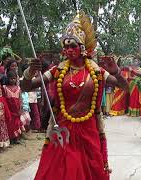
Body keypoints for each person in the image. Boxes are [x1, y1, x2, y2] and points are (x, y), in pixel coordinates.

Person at [20, 11, 128, 180]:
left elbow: (124, 87)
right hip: (63, 130)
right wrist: (30, 72)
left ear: (82, 47)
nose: (69, 50)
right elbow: (27, 87)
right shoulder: (58, 70)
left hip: (89, 128)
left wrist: (117, 72)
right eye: (66, 46)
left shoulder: (96, 71)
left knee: (90, 167)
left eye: (73, 46)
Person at [3, 70, 23, 144]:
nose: (12, 80)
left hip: (16, 109)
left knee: (17, 123)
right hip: (9, 109)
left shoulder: (18, 88)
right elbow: (4, 99)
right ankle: (10, 138)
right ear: (7, 78)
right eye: (11, 78)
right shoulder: (5, 88)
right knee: (9, 123)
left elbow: (20, 99)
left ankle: (16, 138)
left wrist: (21, 108)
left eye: (14, 78)